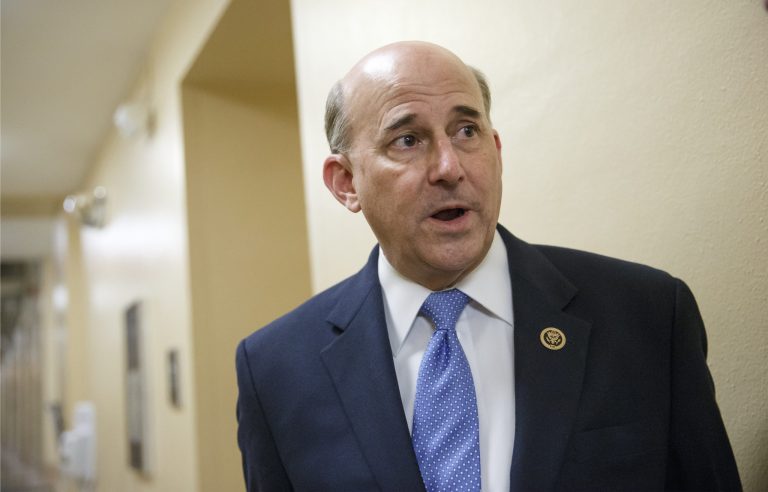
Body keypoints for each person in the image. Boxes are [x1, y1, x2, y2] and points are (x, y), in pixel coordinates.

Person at [235, 41, 741, 491]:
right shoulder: (275, 371)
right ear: (346, 183)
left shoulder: (647, 315)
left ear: (495, 151)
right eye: (407, 140)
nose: (449, 167)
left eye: (466, 131)